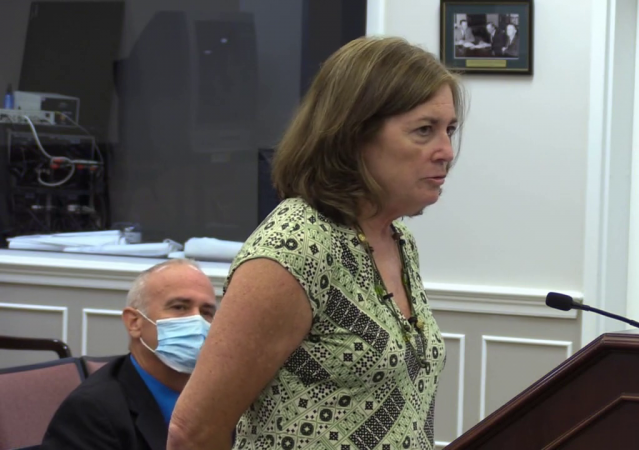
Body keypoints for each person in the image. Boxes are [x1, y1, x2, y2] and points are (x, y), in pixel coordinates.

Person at [167, 36, 465, 450]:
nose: (446, 151)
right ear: (354, 135)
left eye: (449, 130)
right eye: (424, 131)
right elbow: (192, 432)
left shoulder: (397, 240)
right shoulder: (295, 247)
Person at [41, 259, 217, 450]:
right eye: (179, 307)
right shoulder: (91, 411)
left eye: (206, 312)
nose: (196, 321)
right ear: (134, 322)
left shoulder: (223, 396)